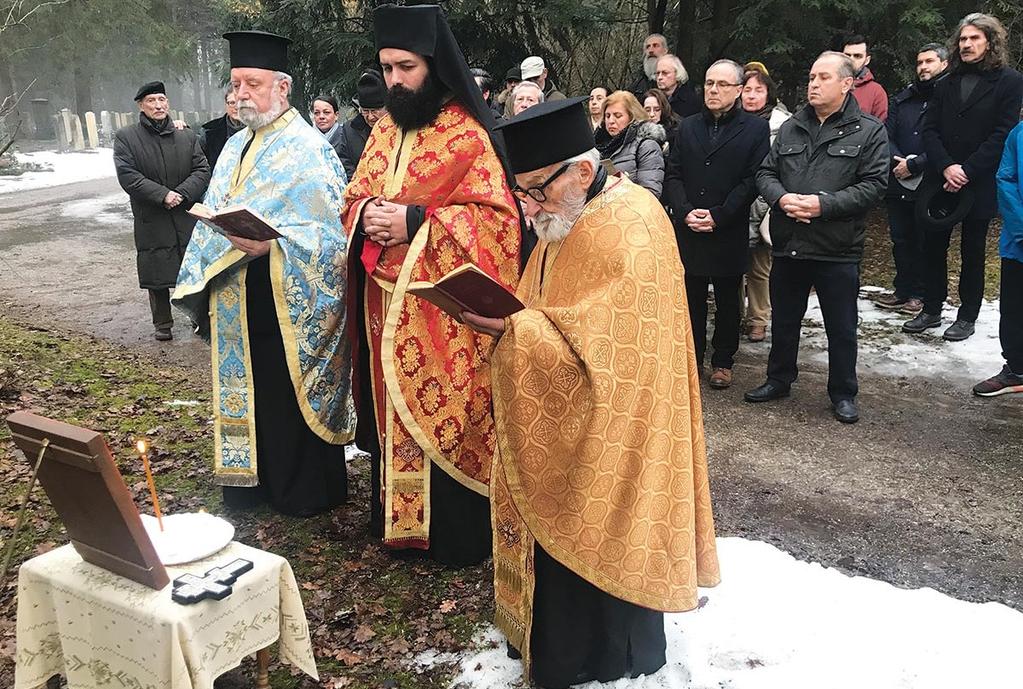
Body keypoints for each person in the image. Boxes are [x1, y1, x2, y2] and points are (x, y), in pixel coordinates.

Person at [466, 97, 720, 688]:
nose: (529, 206)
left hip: (619, 430)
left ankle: (601, 655)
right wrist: (515, 320)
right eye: (522, 191)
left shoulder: (634, 223)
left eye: (536, 190)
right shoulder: (564, 215)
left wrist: (518, 329)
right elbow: (550, 308)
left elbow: (618, 357)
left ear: (581, 170)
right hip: (564, 414)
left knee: (602, 546)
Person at [340, 4, 523, 566]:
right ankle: (395, 522)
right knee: (387, 410)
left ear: (433, 65)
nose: (394, 80)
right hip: (381, 304)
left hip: (439, 308)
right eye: (387, 67)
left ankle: (450, 534)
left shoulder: (467, 134)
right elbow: (351, 198)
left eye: (405, 67)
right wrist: (367, 211)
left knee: (442, 415)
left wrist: (416, 222)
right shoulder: (384, 130)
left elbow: (498, 220)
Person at [172, 30, 354, 516]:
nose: (240, 94)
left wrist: (276, 245)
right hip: (235, 292)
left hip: (284, 297)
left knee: (281, 391)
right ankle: (249, 485)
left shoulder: (308, 149)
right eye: (235, 84)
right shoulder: (233, 147)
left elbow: (333, 237)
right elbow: (218, 208)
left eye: (252, 83)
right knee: (247, 388)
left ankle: (300, 489)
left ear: (283, 87)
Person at [745, 51, 888, 424]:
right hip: (790, 242)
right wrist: (781, 197)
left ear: (846, 83)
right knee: (786, 319)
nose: (813, 83)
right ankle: (778, 379)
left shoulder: (869, 130)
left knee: (841, 327)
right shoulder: (792, 126)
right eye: (811, 77)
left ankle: (843, 392)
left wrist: (824, 206)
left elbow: (874, 186)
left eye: (823, 77)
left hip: (836, 247)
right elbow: (765, 173)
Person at [904, 13, 1023, 341]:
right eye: (963, 39)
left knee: (973, 250)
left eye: (975, 39)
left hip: (979, 180)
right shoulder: (946, 81)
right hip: (940, 177)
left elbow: (1003, 133)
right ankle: (931, 308)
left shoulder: (1010, 81)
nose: (967, 45)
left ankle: (967, 314)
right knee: (932, 245)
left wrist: (967, 170)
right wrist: (945, 166)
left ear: (991, 42)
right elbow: (929, 129)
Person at [665, 60, 770, 389]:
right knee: (691, 297)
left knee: (727, 299)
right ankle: (692, 357)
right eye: (709, 83)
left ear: (738, 90)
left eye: (722, 84)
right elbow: (673, 173)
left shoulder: (754, 129)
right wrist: (684, 211)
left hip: (727, 225)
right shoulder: (688, 126)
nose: (713, 90)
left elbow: (752, 179)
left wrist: (720, 214)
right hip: (690, 225)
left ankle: (723, 361)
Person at [114, 81, 211, 342]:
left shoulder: (186, 136)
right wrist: (162, 195)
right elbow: (128, 176)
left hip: (184, 213)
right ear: (141, 106)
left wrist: (181, 193)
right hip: (152, 215)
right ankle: (163, 323)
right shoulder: (127, 137)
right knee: (157, 270)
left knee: (190, 268)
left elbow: (202, 170)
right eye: (151, 101)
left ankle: (198, 316)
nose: (158, 105)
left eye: (162, 100)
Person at [873, 44, 949, 315]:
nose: (923, 67)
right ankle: (902, 290)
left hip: (930, 182)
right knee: (900, 239)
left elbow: (950, 140)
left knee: (924, 241)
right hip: (897, 177)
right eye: (919, 62)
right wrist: (900, 161)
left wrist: (917, 164)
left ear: (944, 63)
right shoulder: (903, 99)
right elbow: (886, 135)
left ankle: (921, 294)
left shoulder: (949, 98)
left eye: (929, 61)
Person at [741, 67, 791, 343]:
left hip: (765, 204)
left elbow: (783, 169)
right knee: (733, 267)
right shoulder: (730, 121)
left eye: (758, 90)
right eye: (747, 90)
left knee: (759, 267)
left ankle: (758, 319)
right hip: (735, 203)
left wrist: (765, 203)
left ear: (768, 93)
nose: (751, 96)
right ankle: (736, 315)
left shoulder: (782, 126)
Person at [973, 120, 1023, 396]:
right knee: (1015, 308)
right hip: (1019, 241)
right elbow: (1006, 178)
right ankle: (1016, 369)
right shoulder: (1019, 134)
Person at [594, 90, 665, 197]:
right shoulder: (597, 145)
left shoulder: (646, 146)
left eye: (617, 116)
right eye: (607, 116)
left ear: (632, 117)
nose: (611, 121)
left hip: (632, 210)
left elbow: (650, 193)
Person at [336, 69, 387, 179]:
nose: (370, 116)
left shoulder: (398, 128)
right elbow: (343, 161)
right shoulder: (348, 130)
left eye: (374, 111)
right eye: (365, 111)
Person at [842, 34, 889, 121]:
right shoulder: (830, 84)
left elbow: (879, 129)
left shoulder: (876, 92)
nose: (851, 60)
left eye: (857, 56)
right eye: (847, 55)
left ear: (867, 60)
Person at [198, 89, 244, 170]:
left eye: (240, 103)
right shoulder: (209, 132)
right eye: (232, 103)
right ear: (226, 105)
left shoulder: (258, 130)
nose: (236, 107)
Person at [656, 53, 700, 118]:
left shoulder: (691, 101)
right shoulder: (653, 98)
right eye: (657, 73)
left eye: (665, 73)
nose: (659, 77)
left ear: (677, 74)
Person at [626, 32, 668, 98]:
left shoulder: (674, 83)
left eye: (655, 45)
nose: (650, 50)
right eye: (648, 47)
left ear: (665, 51)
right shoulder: (635, 88)